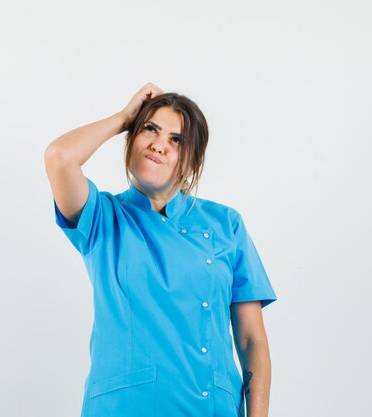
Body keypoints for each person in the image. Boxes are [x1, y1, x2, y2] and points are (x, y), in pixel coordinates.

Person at [44, 82, 277, 417]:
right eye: (149, 130)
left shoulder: (226, 224)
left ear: (192, 163)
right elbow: (60, 156)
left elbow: (251, 340)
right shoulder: (103, 218)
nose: (158, 145)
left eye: (176, 140)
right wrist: (123, 117)